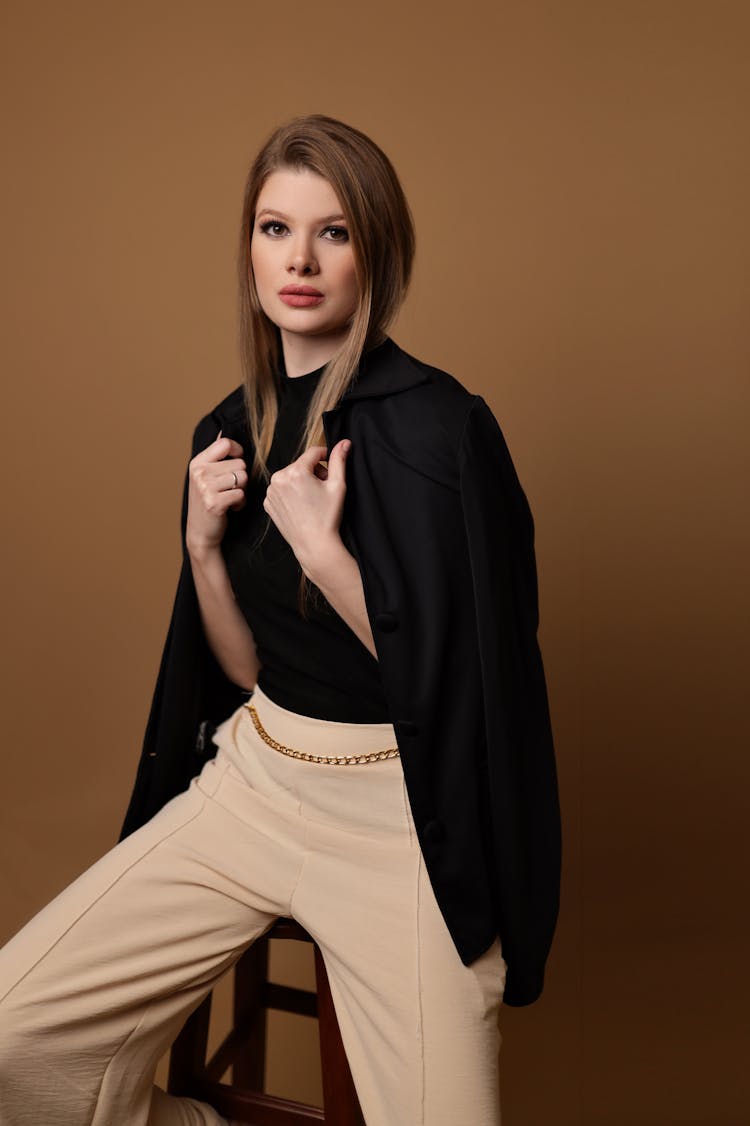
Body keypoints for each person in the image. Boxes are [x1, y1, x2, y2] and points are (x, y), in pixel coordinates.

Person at [0, 114, 562, 1125]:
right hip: (257, 782)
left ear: (375, 255)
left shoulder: (445, 429)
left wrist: (324, 553)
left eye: (333, 232)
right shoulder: (228, 425)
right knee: (11, 1040)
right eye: (274, 228)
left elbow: (466, 687)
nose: (298, 259)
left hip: (402, 817)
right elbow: (245, 665)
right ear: (249, 248)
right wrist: (207, 550)